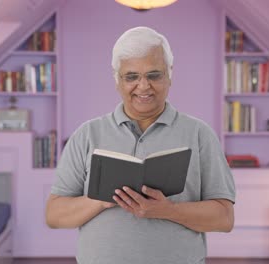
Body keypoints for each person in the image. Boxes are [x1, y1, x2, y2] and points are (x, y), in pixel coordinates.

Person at [46, 26, 236, 264]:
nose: (143, 86)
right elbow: (54, 216)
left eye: (154, 75)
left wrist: (166, 210)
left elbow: (224, 218)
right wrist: (102, 198)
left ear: (169, 75)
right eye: (132, 76)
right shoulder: (87, 134)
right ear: (117, 80)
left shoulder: (200, 134)